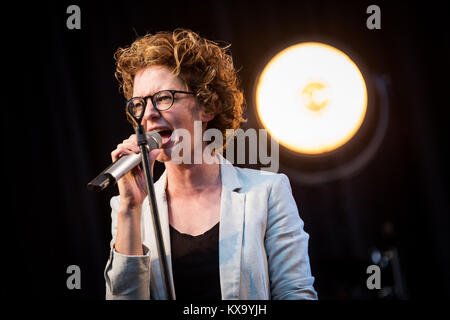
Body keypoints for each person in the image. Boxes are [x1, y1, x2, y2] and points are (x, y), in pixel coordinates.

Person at [104, 28, 318, 300]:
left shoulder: (267, 192)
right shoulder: (129, 209)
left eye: (163, 98)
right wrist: (131, 208)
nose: (147, 114)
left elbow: (295, 293)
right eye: (138, 104)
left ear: (208, 106)